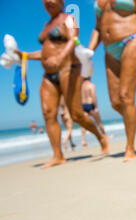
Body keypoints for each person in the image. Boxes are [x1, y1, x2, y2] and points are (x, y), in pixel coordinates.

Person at [15, 0, 109, 168]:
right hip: (48, 74)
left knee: (76, 114)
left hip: (69, 68)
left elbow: (74, 40)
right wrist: (24, 55)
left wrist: (60, 57)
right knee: (48, 113)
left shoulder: (70, 19)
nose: (48, 2)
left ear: (62, 1)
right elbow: (44, 53)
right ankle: (58, 155)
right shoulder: (46, 25)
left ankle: (101, 137)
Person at [88, 0, 136, 161]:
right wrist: (88, 52)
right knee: (116, 102)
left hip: (132, 39)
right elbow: (97, 27)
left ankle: (130, 147)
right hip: (109, 50)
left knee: (126, 96)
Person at [80, 77, 106, 148]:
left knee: (83, 125)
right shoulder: (91, 85)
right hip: (91, 105)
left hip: (83, 105)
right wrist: (96, 107)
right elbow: (93, 96)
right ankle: (104, 136)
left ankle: (83, 140)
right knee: (99, 122)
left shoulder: (81, 86)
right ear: (90, 77)